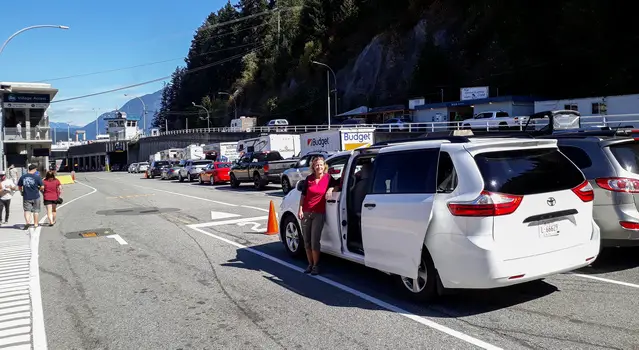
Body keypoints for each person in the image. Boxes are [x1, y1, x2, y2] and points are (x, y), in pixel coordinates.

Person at [297, 155, 340, 275]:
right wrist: (300, 209)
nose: (319, 167)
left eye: (321, 164)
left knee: (315, 240)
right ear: (313, 167)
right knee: (306, 241)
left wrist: (331, 189)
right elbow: (303, 195)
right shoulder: (309, 179)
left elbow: (338, 185)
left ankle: (316, 265)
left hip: (318, 213)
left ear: (324, 166)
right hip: (306, 212)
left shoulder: (328, 178)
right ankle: (310, 264)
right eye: (316, 165)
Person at [17, 164, 44, 230]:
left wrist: (21, 192)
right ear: (34, 169)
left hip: (26, 196)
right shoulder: (37, 177)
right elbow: (42, 187)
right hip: (35, 196)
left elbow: (19, 187)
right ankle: (35, 224)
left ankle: (27, 222)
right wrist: (38, 190)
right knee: (36, 211)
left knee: (27, 210)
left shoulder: (23, 177)